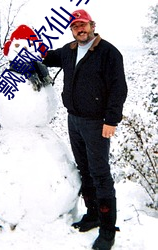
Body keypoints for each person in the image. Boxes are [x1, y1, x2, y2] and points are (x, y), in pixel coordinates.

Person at [42, 9, 127, 250]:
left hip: (97, 123)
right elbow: (46, 57)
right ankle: (93, 214)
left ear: (92, 25)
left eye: (83, 25)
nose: (80, 29)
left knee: (100, 173)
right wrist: (23, 44)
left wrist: (112, 120)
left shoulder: (108, 52)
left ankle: (108, 231)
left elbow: (118, 88)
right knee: (84, 169)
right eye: (75, 26)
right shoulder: (68, 51)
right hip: (74, 120)